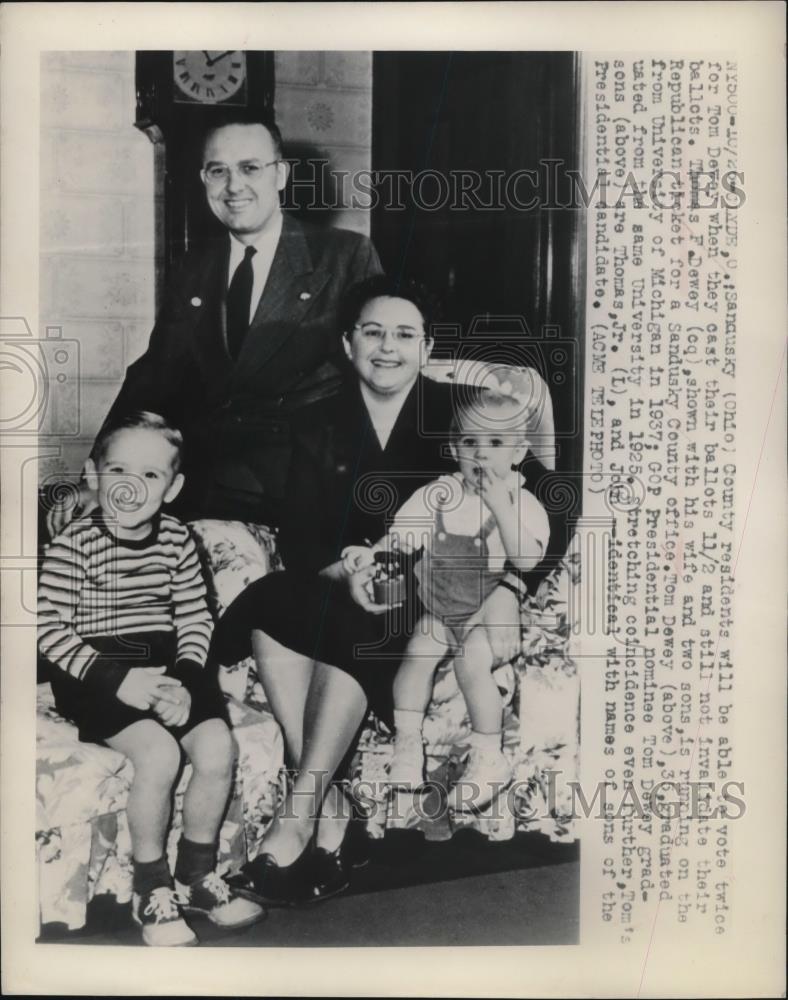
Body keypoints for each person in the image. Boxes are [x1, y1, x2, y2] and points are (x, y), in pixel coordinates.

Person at [212, 275, 530, 906]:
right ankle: (333, 813)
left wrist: (513, 586)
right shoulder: (312, 420)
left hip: (437, 590)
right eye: (373, 332)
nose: (388, 348)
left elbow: (549, 494)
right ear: (347, 341)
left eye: (405, 335)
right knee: (276, 598)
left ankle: (300, 817)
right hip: (347, 581)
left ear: (427, 346)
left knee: (367, 622)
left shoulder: (466, 410)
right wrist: (343, 571)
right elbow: (299, 533)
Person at [47, 110, 382, 534]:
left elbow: (379, 378)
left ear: (280, 175)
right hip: (200, 483)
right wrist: (99, 478)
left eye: (250, 168)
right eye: (218, 170)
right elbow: (156, 376)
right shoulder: (195, 265)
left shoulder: (345, 256)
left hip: (304, 494)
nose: (234, 185)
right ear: (203, 179)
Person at [37, 411, 263, 946]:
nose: (131, 488)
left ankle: (197, 875)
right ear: (93, 475)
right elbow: (47, 629)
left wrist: (185, 680)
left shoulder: (177, 539)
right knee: (159, 753)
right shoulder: (75, 544)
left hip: (169, 664)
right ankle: (150, 889)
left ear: (174, 486)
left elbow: (194, 617)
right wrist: (118, 681)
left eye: (150, 476)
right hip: (95, 666)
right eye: (118, 471)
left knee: (216, 748)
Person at [342, 390, 550, 811]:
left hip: (484, 612)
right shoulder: (437, 495)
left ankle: (490, 757)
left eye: (495, 444)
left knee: (470, 661)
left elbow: (528, 558)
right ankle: (407, 745)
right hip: (438, 607)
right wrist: (372, 552)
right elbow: (401, 538)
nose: (480, 455)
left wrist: (500, 507)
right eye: (469, 443)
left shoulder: (521, 500)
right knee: (417, 654)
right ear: (455, 448)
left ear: (519, 451)